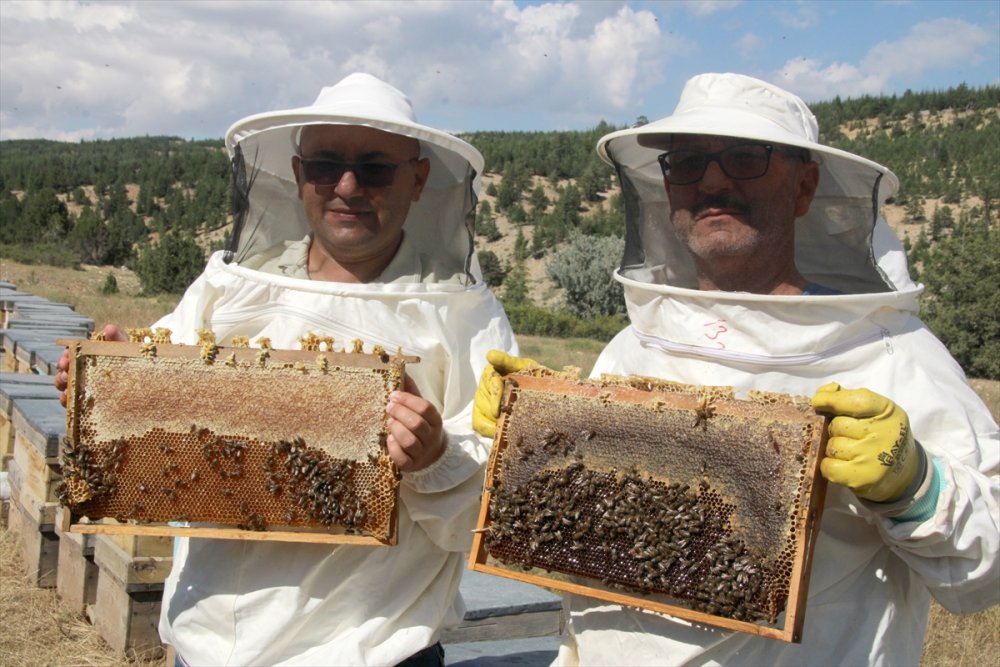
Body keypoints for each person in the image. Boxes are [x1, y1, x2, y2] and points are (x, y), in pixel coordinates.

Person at [473, 73, 998, 666]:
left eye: (746, 158)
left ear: (804, 186)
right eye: (688, 162)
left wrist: (917, 487)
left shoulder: (891, 352)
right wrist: (535, 439)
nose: (713, 182)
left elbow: (986, 576)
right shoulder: (635, 344)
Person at [57, 72, 517, 666]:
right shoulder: (228, 288)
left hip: (370, 649)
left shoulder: (462, 315)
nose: (346, 186)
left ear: (419, 179)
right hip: (206, 641)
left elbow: (496, 509)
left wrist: (435, 459)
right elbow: (143, 433)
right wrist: (105, 389)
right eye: (326, 165)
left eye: (375, 168)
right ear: (299, 174)